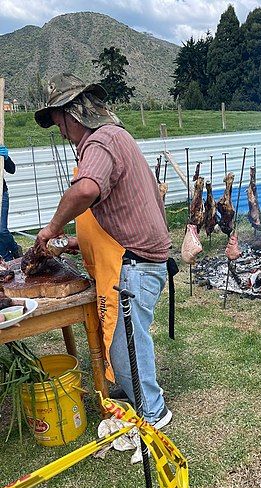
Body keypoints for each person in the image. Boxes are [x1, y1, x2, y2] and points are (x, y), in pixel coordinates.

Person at [33, 73, 172, 428]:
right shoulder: (115, 138)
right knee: (124, 342)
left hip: (136, 262)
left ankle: (153, 414)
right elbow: (121, 207)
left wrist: (52, 229)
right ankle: (132, 390)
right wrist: (76, 243)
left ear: (73, 112)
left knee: (126, 345)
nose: (60, 132)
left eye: (58, 121)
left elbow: (86, 191)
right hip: (134, 257)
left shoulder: (101, 141)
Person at [0, 146, 22, 261]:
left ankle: (14, 248)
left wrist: (6, 158)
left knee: (1, 230)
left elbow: (12, 169)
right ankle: (8, 259)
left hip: (1, 194)